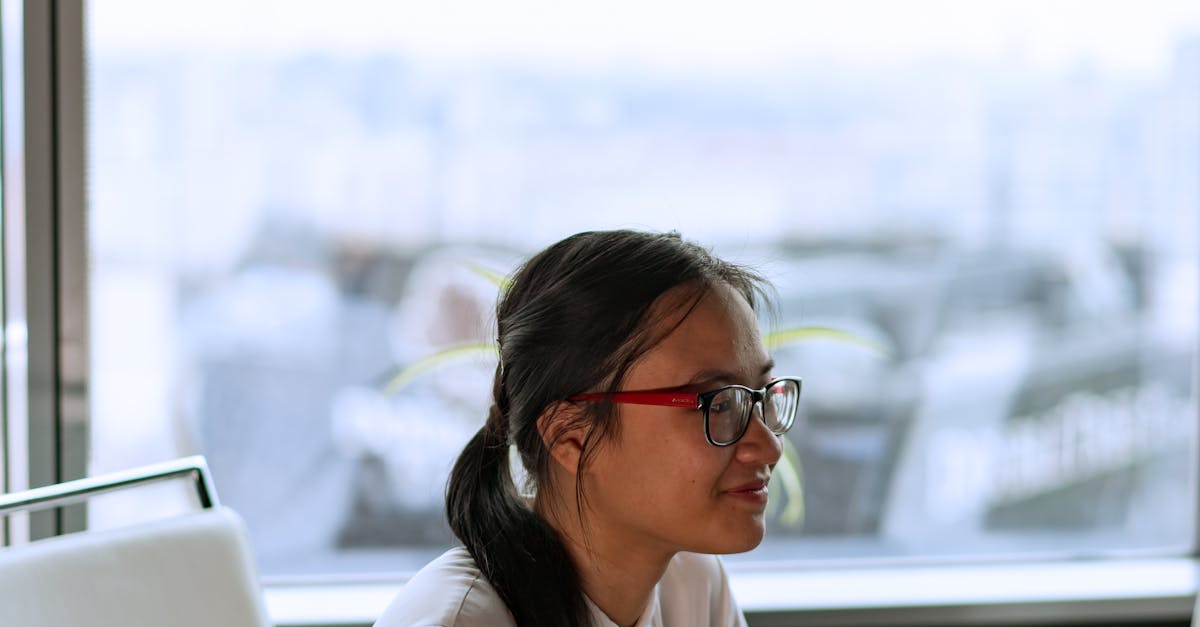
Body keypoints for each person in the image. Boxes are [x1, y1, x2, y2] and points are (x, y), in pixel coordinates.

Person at [374, 230, 802, 627]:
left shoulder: (692, 585)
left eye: (761, 395)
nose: (768, 447)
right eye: (719, 404)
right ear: (571, 436)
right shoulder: (460, 620)